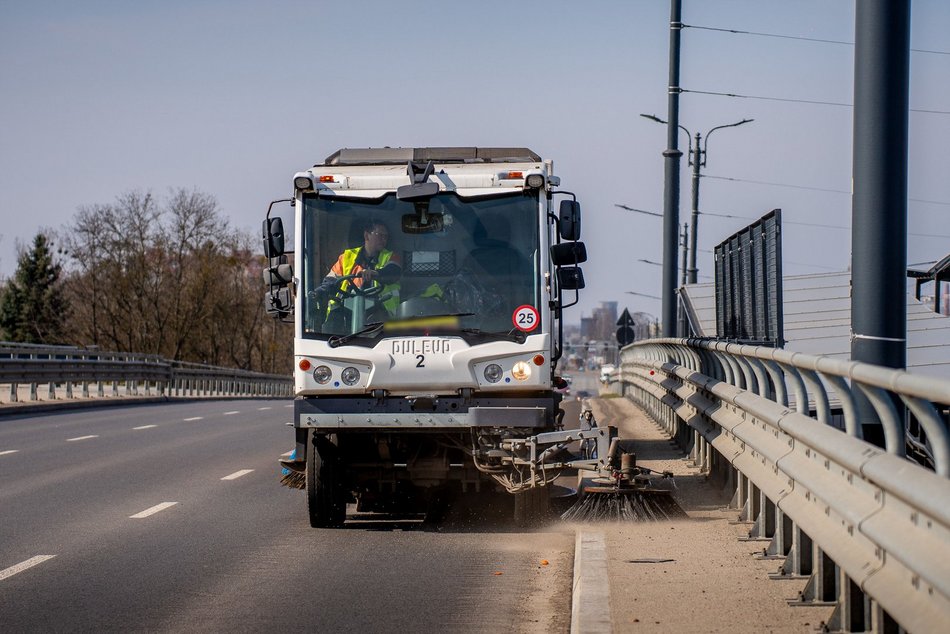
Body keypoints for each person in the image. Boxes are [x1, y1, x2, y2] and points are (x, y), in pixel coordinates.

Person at [319, 219, 402, 325]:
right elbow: (331, 280)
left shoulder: (391, 256)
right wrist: (321, 291)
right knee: (332, 322)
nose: (384, 239)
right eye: (380, 235)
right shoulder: (346, 257)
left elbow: (393, 272)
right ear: (367, 236)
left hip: (381, 315)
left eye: (386, 236)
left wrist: (376, 274)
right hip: (345, 315)